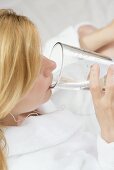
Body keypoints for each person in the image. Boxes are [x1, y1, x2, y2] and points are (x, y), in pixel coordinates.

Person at [0, 8, 114, 170]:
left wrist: (107, 33)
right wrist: (109, 132)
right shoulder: (33, 164)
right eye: (33, 69)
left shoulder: (25, 101)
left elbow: (67, 44)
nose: (51, 65)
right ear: (8, 96)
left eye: (37, 53)